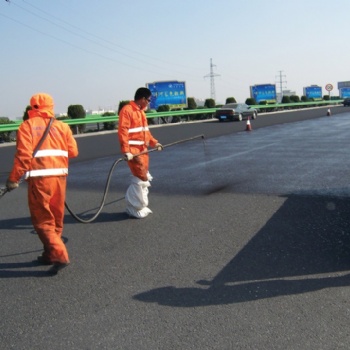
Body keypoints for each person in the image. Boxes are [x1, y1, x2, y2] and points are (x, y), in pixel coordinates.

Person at [6, 93, 79, 275]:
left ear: (33, 106)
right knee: (56, 217)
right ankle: (50, 253)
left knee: (42, 219)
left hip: (40, 180)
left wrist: (13, 179)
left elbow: (23, 156)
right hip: (60, 178)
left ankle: (60, 254)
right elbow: (74, 151)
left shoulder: (27, 126)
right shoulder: (62, 127)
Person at [118, 87, 163, 218]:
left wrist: (155, 143)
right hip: (134, 152)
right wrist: (126, 151)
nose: (149, 102)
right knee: (140, 178)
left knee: (142, 177)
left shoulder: (141, 112)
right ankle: (133, 206)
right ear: (142, 99)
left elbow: (146, 132)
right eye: (148, 100)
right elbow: (123, 132)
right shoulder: (127, 110)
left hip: (143, 151)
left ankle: (139, 206)